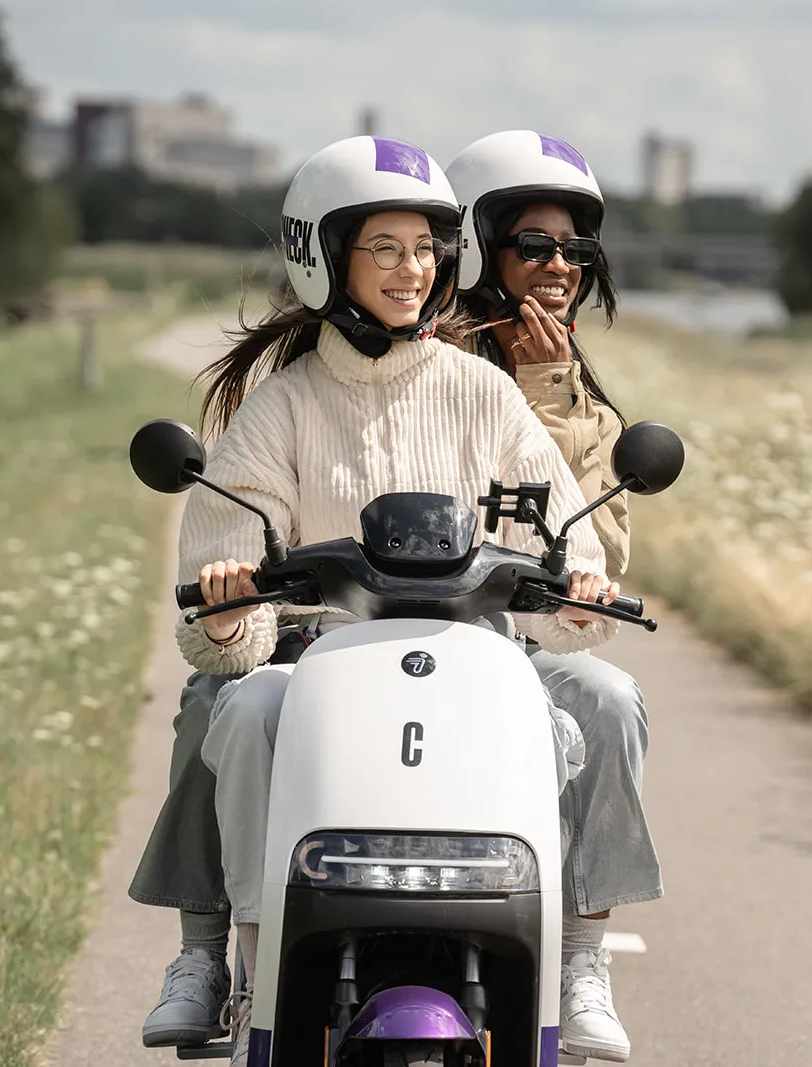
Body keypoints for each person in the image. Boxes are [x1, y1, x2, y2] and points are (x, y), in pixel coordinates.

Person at [132, 134, 620, 1066]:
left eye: (427, 248)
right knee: (239, 706)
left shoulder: (482, 392)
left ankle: (573, 964)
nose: (412, 269)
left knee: (588, 711)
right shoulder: (282, 406)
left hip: (475, 668)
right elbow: (217, 605)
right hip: (317, 668)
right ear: (327, 257)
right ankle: (241, 963)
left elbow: (571, 549)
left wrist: (582, 586)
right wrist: (234, 603)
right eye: (386, 248)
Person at [445, 130, 660, 1062]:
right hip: (390, 633)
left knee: (610, 701)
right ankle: (223, 951)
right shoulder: (426, 369)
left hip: (517, 649)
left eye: (577, 249)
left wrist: (549, 399)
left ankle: (582, 961)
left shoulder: (580, 396)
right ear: (477, 250)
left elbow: (599, 550)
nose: (560, 266)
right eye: (535, 244)